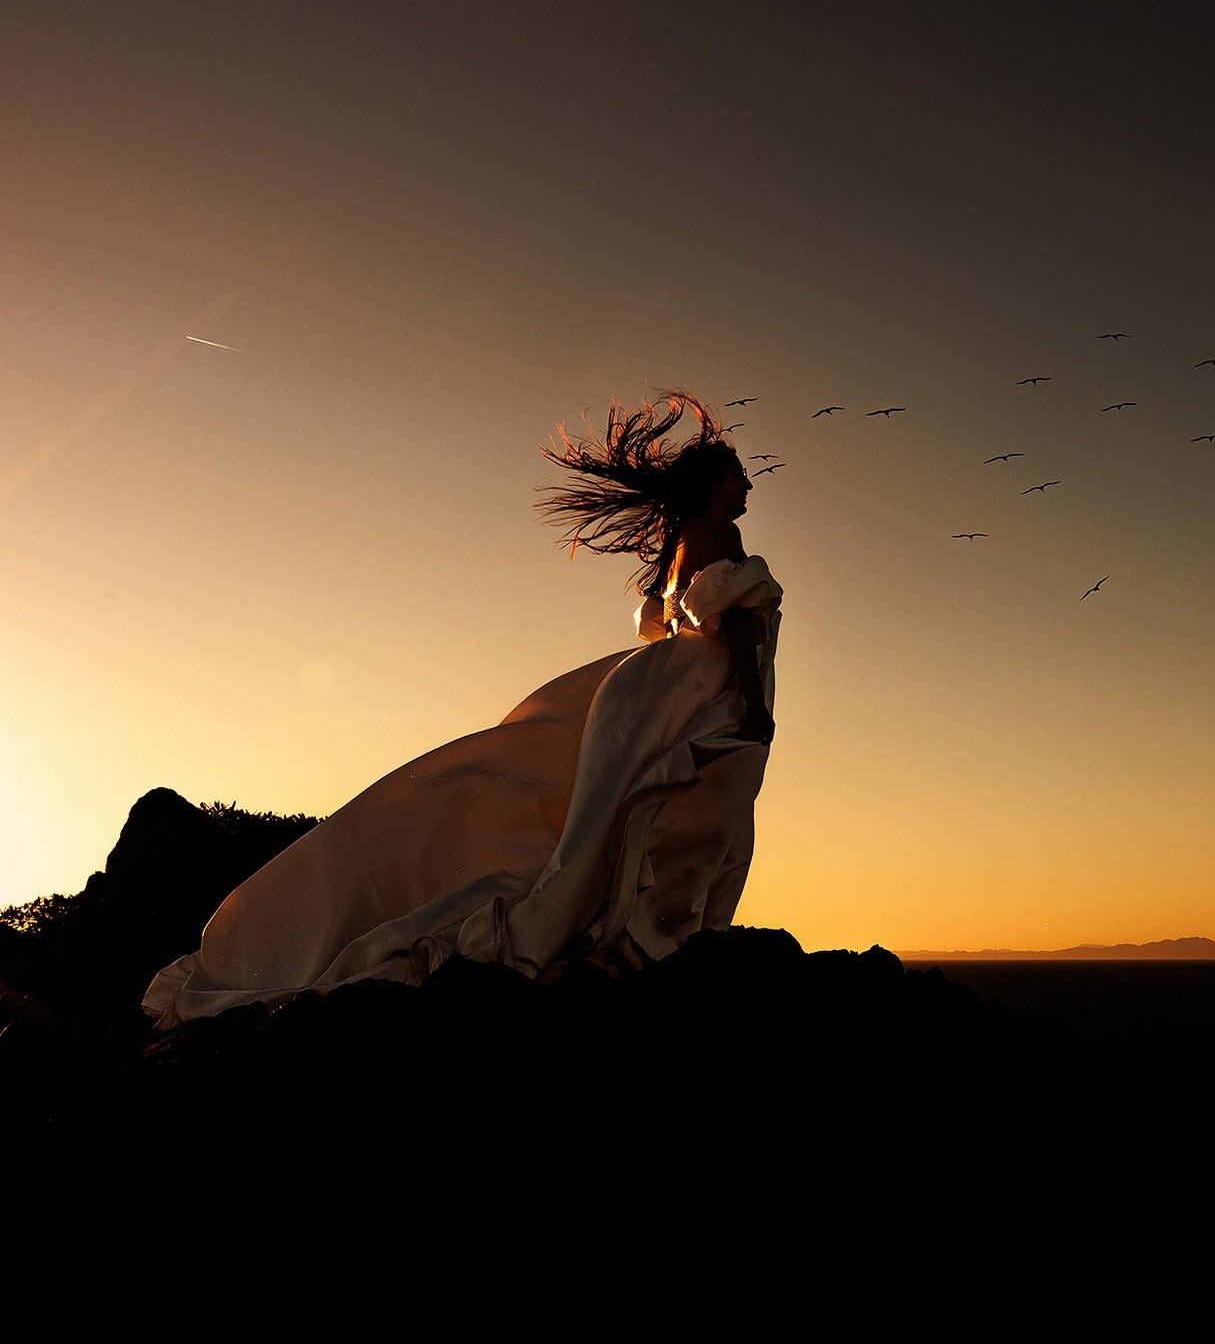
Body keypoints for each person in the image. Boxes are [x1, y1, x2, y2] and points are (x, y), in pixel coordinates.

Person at [141, 389, 783, 1027]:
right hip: (703, 691)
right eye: (739, 475)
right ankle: (648, 950)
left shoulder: (683, 543)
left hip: (656, 688)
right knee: (695, 817)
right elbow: (741, 627)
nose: (748, 485)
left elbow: (673, 619)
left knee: (630, 821)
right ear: (713, 484)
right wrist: (756, 710)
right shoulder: (722, 535)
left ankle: (632, 944)